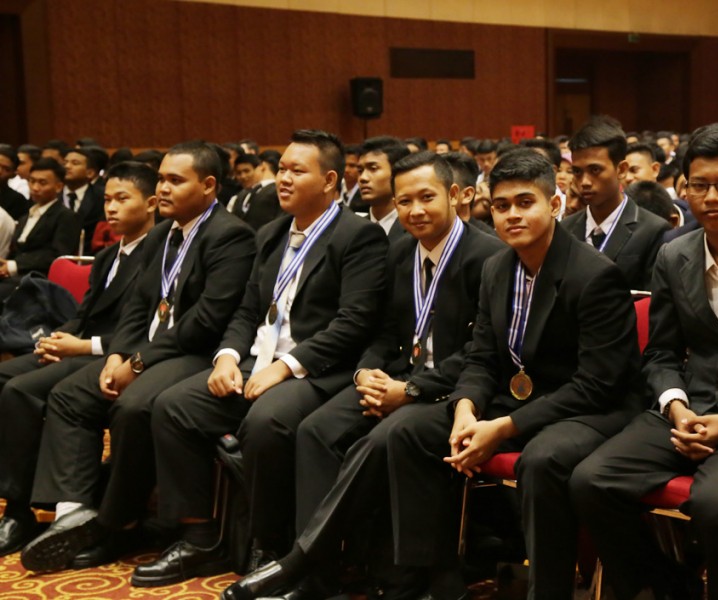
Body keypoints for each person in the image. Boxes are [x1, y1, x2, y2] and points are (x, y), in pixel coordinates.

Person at [221, 150, 643, 600]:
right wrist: (465, 409)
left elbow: (596, 385)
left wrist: (501, 425)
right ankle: (427, 582)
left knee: (538, 459)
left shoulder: (594, 275)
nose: (512, 216)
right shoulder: (500, 268)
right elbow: (483, 358)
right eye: (502, 206)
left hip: (585, 407)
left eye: (525, 203)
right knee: (408, 430)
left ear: (555, 204)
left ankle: (301, 561)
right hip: (511, 397)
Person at [221, 151, 504, 600]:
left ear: (454, 195)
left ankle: (302, 562)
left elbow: (480, 352)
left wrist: (410, 389)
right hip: (393, 379)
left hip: (452, 389)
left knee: (384, 438)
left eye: (427, 197)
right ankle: (321, 575)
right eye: (404, 201)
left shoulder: (488, 257)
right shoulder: (400, 251)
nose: (415, 210)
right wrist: (366, 373)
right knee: (316, 430)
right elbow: (382, 331)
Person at [131, 130, 389, 588]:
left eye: (296, 171)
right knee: (174, 406)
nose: (283, 179)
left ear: (329, 181)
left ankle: (269, 546)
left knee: (267, 421)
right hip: (256, 363)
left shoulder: (358, 235)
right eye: (282, 169)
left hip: (317, 371)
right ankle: (200, 539)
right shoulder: (271, 233)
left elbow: (354, 323)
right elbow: (248, 310)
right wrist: (227, 357)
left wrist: (285, 367)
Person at [571, 124, 718, 600]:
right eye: (699, 185)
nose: (710, 198)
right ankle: (669, 584)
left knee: (715, 502)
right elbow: (660, 353)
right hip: (688, 410)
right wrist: (677, 407)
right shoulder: (674, 255)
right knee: (591, 481)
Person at [20, 141, 256, 573]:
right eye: (161, 179)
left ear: (208, 185)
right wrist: (118, 355)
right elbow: (137, 306)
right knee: (70, 395)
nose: (162, 188)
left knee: (133, 405)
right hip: (146, 351)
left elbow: (206, 321)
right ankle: (75, 513)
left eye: (174, 180)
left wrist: (138, 362)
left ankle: (117, 523)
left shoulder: (230, 235)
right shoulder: (162, 234)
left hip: (196, 353)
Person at [0, 161, 157, 561]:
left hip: (114, 354)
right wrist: (56, 339)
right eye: (107, 200)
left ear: (151, 203)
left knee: (21, 390)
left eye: (122, 199)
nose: (111, 208)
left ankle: (24, 509)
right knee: (3, 377)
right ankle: (21, 500)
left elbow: (145, 330)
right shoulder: (106, 256)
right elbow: (83, 315)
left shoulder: (159, 254)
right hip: (82, 345)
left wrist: (82, 346)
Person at [562, 116, 670, 290]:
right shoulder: (564, 229)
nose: (585, 182)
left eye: (595, 170)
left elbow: (652, 300)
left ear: (621, 170)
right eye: (577, 172)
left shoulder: (653, 230)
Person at [0, 158, 81, 301]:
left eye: (42, 183)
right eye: (32, 181)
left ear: (58, 187)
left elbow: (58, 256)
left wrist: (15, 265)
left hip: (40, 280)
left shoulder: (66, 216)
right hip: (15, 277)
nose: (35, 187)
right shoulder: (26, 215)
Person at [358, 136, 410, 241]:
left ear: (397, 173)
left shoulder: (414, 228)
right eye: (360, 170)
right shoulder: (352, 229)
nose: (363, 178)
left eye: (373, 168)